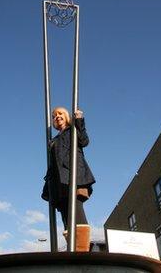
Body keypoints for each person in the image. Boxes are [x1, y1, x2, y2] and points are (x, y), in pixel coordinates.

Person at [41, 107, 95, 251]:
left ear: (66, 116)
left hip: (73, 176)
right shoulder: (54, 140)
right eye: (54, 116)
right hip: (58, 182)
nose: (57, 116)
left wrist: (79, 120)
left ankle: (82, 250)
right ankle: (73, 248)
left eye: (60, 114)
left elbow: (84, 141)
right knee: (66, 216)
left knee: (75, 210)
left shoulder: (73, 130)